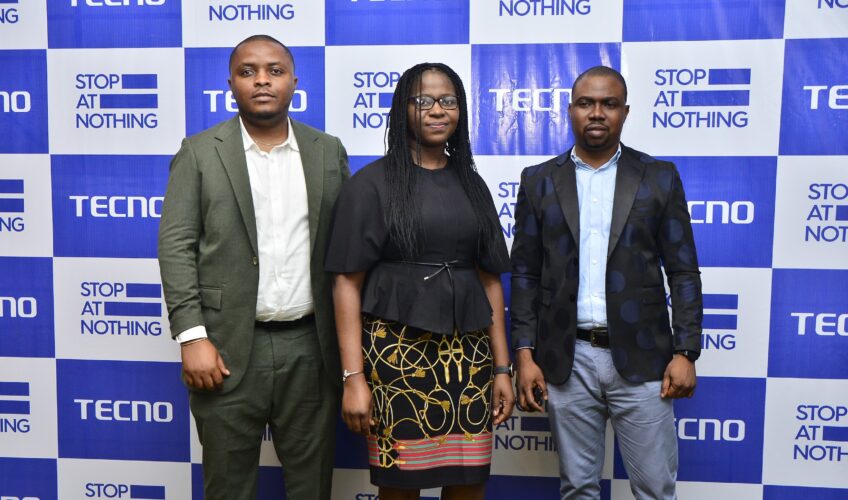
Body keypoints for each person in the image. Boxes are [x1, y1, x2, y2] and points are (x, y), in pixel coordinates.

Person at [157, 34, 349, 500]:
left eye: (274, 70)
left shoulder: (327, 150)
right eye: (248, 71)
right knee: (229, 486)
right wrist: (192, 336)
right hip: (223, 349)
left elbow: (346, 254)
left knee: (312, 486)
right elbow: (176, 244)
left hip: (312, 348)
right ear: (231, 84)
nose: (262, 80)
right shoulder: (201, 151)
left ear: (293, 82)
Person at [510, 66, 703, 499]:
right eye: (586, 103)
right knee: (577, 488)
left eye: (608, 104)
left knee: (654, 488)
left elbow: (684, 271)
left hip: (645, 360)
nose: (596, 113)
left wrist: (686, 350)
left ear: (625, 112)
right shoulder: (538, 180)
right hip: (567, 359)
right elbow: (524, 274)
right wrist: (524, 354)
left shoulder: (658, 177)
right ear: (570, 111)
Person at [326, 62, 514, 500]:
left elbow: (489, 282)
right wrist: (354, 377)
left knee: (469, 483)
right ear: (402, 109)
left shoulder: (473, 184)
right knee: (401, 486)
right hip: (396, 360)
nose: (437, 110)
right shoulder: (371, 185)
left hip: (469, 361)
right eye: (423, 100)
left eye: (448, 101)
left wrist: (501, 368)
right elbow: (346, 285)